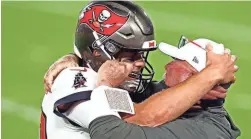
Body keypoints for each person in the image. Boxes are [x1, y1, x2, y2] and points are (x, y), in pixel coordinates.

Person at [40, 1, 240, 139]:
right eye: (131, 55)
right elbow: (136, 108)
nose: (166, 66)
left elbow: (120, 129)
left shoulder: (206, 130)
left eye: (177, 62)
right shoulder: (73, 79)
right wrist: (76, 58)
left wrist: (105, 85)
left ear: (206, 85)